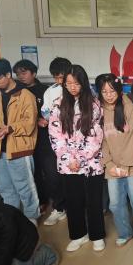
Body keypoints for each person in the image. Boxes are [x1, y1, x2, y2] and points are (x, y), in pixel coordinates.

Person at [48, 64, 106, 252]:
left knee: (93, 201)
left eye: (77, 83)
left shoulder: (94, 104)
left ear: (83, 83)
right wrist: (68, 159)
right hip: (68, 164)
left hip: (90, 163)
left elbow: (96, 135)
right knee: (73, 201)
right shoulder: (58, 104)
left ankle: (97, 235)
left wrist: (80, 159)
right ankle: (78, 235)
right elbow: (55, 135)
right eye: (69, 83)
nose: (73, 87)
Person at [0, 58, 39, 222]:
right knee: (5, 188)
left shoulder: (26, 95)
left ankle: (31, 218)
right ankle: (11, 218)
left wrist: (10, 128)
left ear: (8, 74)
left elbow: (29, 123)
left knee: (25, 188)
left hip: (19, 150)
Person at [98, 74, 133, 246]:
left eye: (112, 91)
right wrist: (108, 163)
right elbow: (100, 140)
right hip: (112, 166)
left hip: (132, 165)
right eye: (104, 92)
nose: (108, 95)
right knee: (115, 203)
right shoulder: (99, 110)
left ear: (118, 90)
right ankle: (125, 233)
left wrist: (125, 165)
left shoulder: (129, 107)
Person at [13, 59, 52, 217]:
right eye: (18, 74)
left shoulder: (45, 90)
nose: (21, 76)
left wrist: (47, 120)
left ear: (34, 73)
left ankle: (56, 202)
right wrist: (35, 121)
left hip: (45, 137)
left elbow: (54, 110)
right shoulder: (16, 92)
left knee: (49, 171)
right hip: (27, 138)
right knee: (33, 173)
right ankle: (41, 201)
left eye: (24, 73)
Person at [39, 57, 72, 226]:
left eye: (61, 77)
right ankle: (59, 208)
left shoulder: (80, 88)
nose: (59, 81)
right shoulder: (50, 91)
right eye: (56, 77)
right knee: (53, 176)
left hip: (75, 143)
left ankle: (75, 207)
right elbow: (45, 111)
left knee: (73, 177)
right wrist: (47, 118)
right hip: (55, 141)